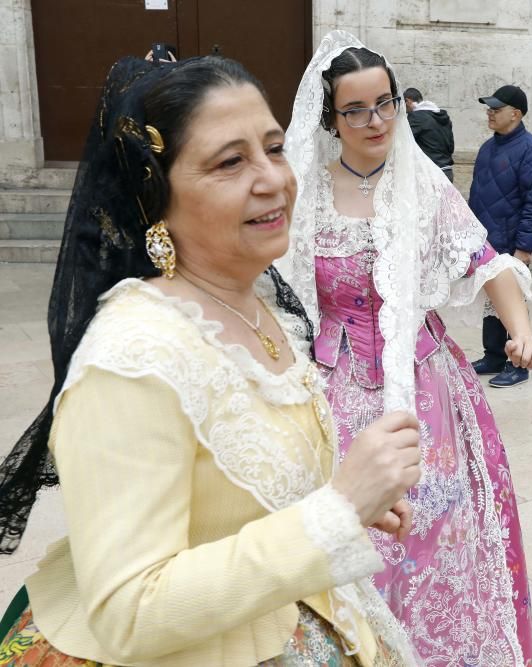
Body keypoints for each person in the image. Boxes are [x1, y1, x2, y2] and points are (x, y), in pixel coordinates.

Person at [0, 55, 421, 665]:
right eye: (230, 161)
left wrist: (333, 494)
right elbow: (130, 612)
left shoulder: (260, 306)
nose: (273, 179)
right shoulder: (132, 357)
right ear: (155, 194)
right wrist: (337, 511)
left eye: (274, 148)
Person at [279, 31, 532, 666]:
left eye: (386, 103)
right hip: (335, 388)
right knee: (351, 533)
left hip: (425, 385)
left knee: (435, 525)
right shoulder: (305, 191)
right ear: (331, 118)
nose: (375, 120)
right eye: (356, 109)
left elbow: (488, 264)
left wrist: (521, 331)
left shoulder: (422, 184)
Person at [468, 83, 532, 388]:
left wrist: (524, 249)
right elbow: (477, 196)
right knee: (490, 300)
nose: (490, 113)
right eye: (489, 108)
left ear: (515, 114)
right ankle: (493, 356)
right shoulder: (488, 148)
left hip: (511, 244)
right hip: (485, 242)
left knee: (512, 303)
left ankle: (519, 363)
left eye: (496, 109)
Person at [402, 87, 455, 181]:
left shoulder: (416, 117)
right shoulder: (442, 116)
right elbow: (451, 147)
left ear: (407, 101)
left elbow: (404, 142)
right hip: (447, 172)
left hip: (431, 174)